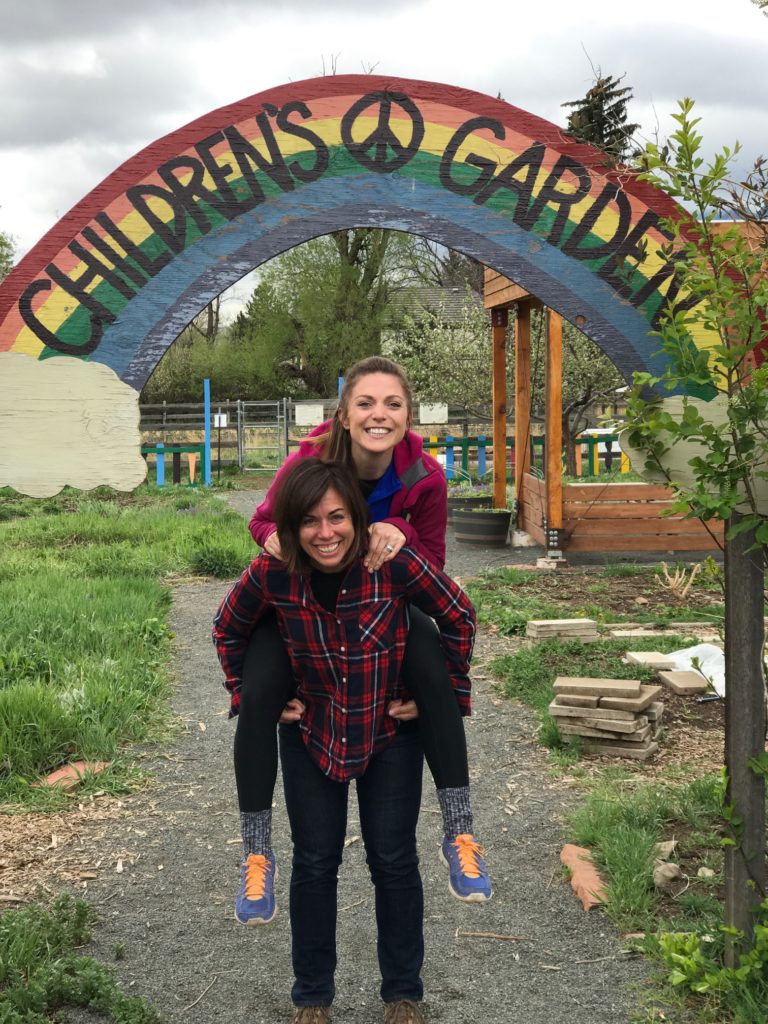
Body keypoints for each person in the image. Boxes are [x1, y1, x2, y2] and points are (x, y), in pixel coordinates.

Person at [213, 459, 478, 1024]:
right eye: (309, 521)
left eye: (337, 517)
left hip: (389, 732)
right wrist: (248, 692)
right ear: (289, 526)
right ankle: (312, 996)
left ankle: (403, 994)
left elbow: (458, 615)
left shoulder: (393, 565)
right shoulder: (272, 573)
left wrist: (440, 693)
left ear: (358, 520)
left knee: (394, 861)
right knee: (315, 864)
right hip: (312, 732)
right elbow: (227, 628)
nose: (325, 533)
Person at [232, 356, 491, 927]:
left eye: (392, 404)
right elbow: (261, 521)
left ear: (408, 415)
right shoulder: (310, 460)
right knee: (259, 683)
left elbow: (436, 579)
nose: (379, 415)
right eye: (365, 404)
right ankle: (255, 848)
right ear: (343, 416)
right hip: (307, 602)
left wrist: (400, 534)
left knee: (435, 662)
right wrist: (278, 539)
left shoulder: (424, 478)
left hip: (383, 606)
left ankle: (461, 832)